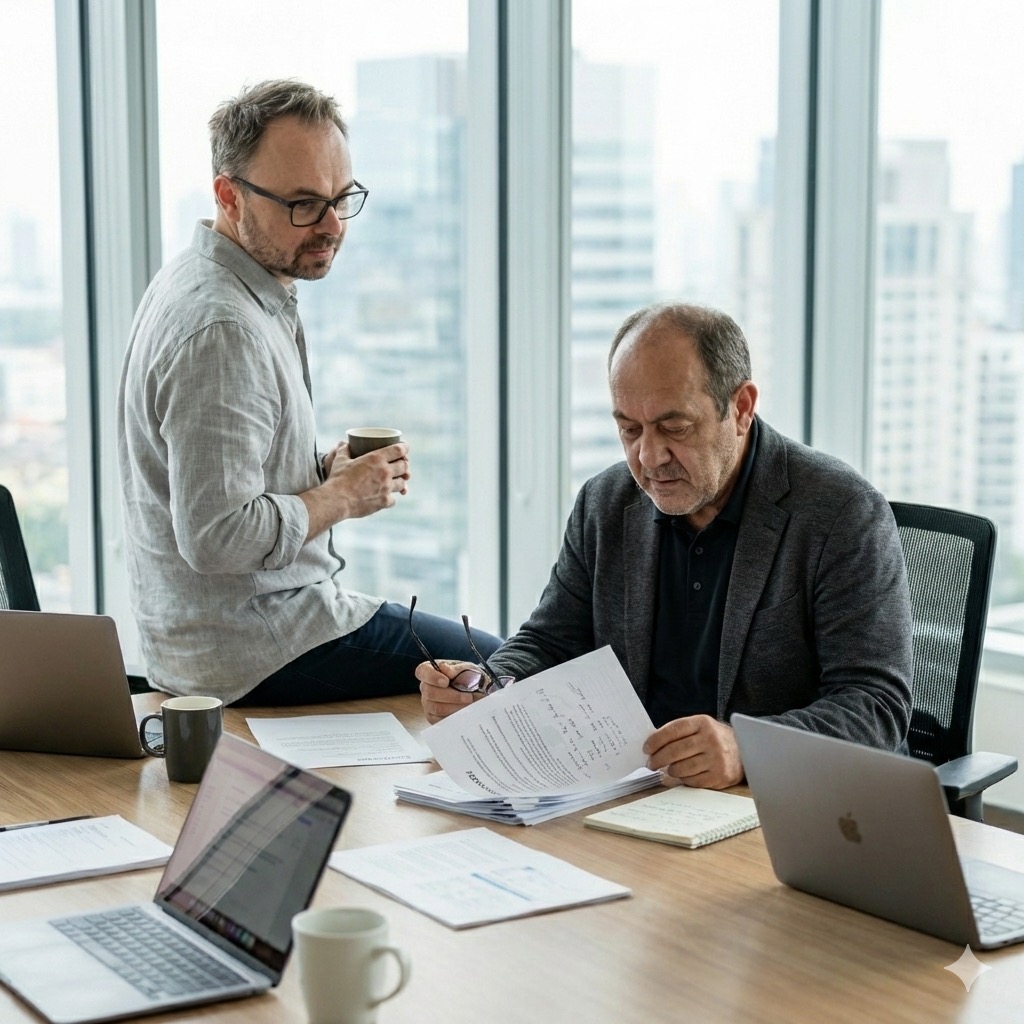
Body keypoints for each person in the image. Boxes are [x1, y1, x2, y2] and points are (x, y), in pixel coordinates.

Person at [417, 302, 913, 789]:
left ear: (740, 408)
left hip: (777, 804)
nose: (649, 457)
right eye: (628, 430)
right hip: (635, 790)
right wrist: (488, 687)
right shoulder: (605, 502)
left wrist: (746, 749)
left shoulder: (840, 511)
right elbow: (553, 640)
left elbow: (875, 706)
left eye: (674, 428)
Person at [118, 79, 500, 706]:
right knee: (500, 668)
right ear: (228, 195)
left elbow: (223, 483)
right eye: (301, 204)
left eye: (340, 199)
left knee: (477, 666)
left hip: (233, 633)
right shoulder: (223, 327)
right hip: (255, 648)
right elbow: (216, 535)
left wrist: (319, 472)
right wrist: (341, 498)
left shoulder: (210, 281)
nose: (330, 226)